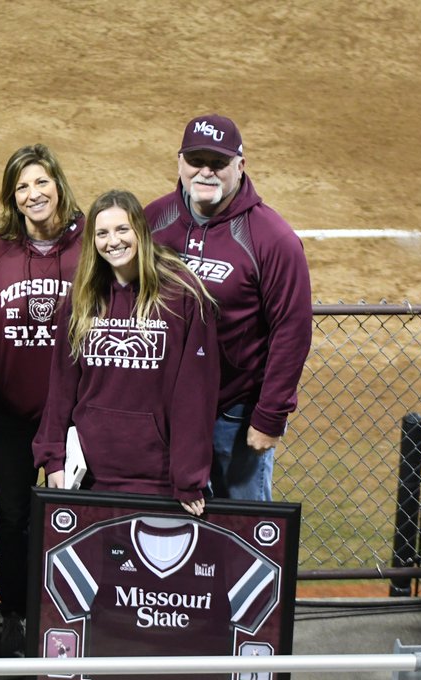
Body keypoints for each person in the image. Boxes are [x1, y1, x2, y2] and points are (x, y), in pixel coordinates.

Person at [0, 144, 84, 657]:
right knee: (11, 515)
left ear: (58, 184)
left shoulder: (89, 244)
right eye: (22, 187)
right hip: (8, 413)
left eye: (41, 182)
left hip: (76, 418)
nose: (33, 194)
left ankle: (69, 615)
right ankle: (15, 617)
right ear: (13, 197)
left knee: (71, 513)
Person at [145, 114, 312, 502]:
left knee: (241, 530)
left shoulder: (272, 239)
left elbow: (292, 331)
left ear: (240, 165)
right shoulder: (152, 221)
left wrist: (270, 415)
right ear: (180, 163)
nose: (206, 172)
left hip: (233, 415)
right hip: (161, 410)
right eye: (195, 160)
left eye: (218, 163)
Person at [33, 190, 220, 514]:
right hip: (92, 478)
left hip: (160, 479)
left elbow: (195, 395)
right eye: (102, 233)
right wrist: (53, 457)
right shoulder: (82, 297)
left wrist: (188, 476)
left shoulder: (181, 294)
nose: (113, 241)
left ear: (141, 232)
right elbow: (61, 386)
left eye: (122, 230)